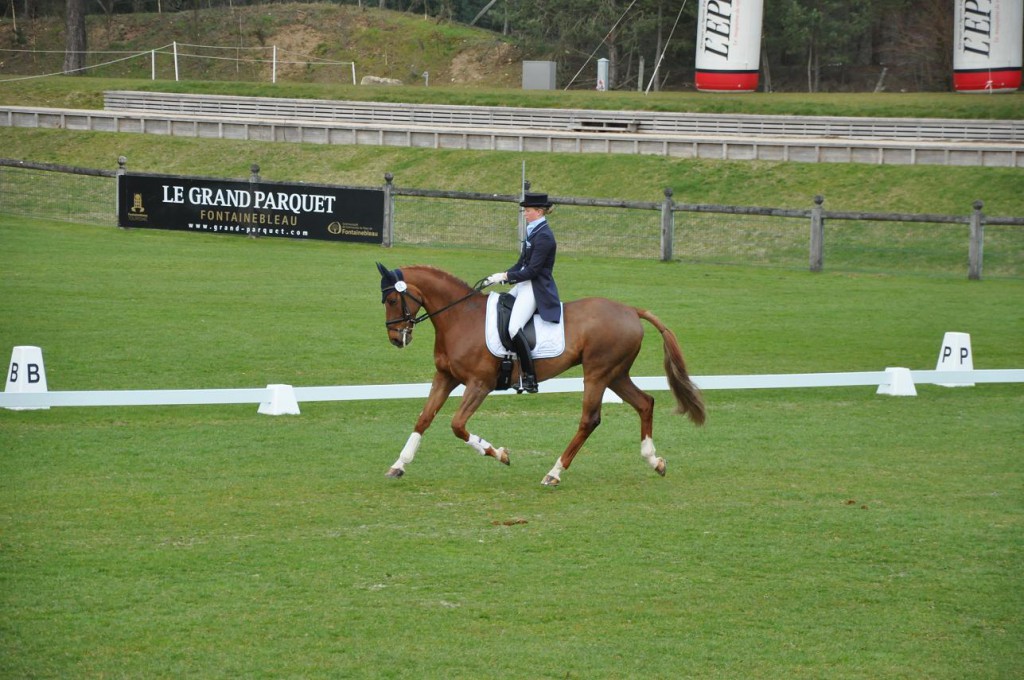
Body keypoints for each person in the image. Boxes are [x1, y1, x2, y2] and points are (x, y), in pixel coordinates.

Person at [484, 192, 561, 393]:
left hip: (536, 287)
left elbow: (533, 270)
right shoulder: (533, 230)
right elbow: (521, 263)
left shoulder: (544, 236)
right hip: (525, 284)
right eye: (525, 210)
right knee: (502, 307)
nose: (525, 213)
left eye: (527, 210)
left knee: (513, 327)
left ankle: (529, 377)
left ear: (539, 211)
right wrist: (502, 274)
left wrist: (507, 277)